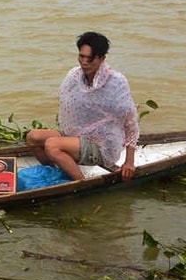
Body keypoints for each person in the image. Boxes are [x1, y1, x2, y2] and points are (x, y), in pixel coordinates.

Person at [26, 31, 140, 181]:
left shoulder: (116, 82)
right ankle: (58, 171)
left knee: (52, 145)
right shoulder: (74, 76)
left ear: (101, 58)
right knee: (33, 137)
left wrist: (129, 161)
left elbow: (130, 122)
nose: (84, 62)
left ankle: (80, 183)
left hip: (101, 144)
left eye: (90, 58)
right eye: (81, 56)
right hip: (76, 135)